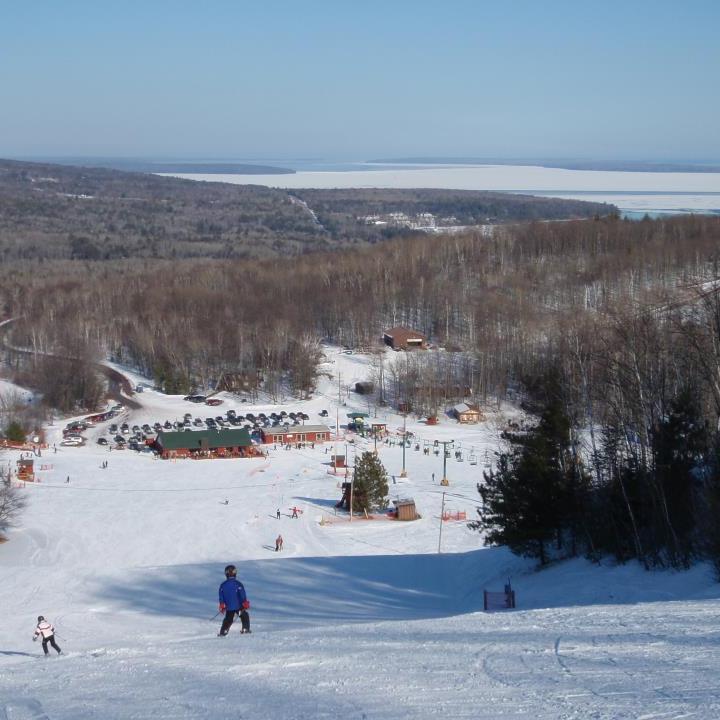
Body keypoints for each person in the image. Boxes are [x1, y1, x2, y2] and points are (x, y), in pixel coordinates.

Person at [218, 564, 251, 636]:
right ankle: (245, 629)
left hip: (229, 607)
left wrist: (222, 605)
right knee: (244, 616)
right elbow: (242, 595)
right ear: (235, 573)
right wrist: (245, 603)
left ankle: (223, 632)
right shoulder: (238, 584)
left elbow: (221, 597)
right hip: (238, 606)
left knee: (228, 619)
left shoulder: (222, 585)